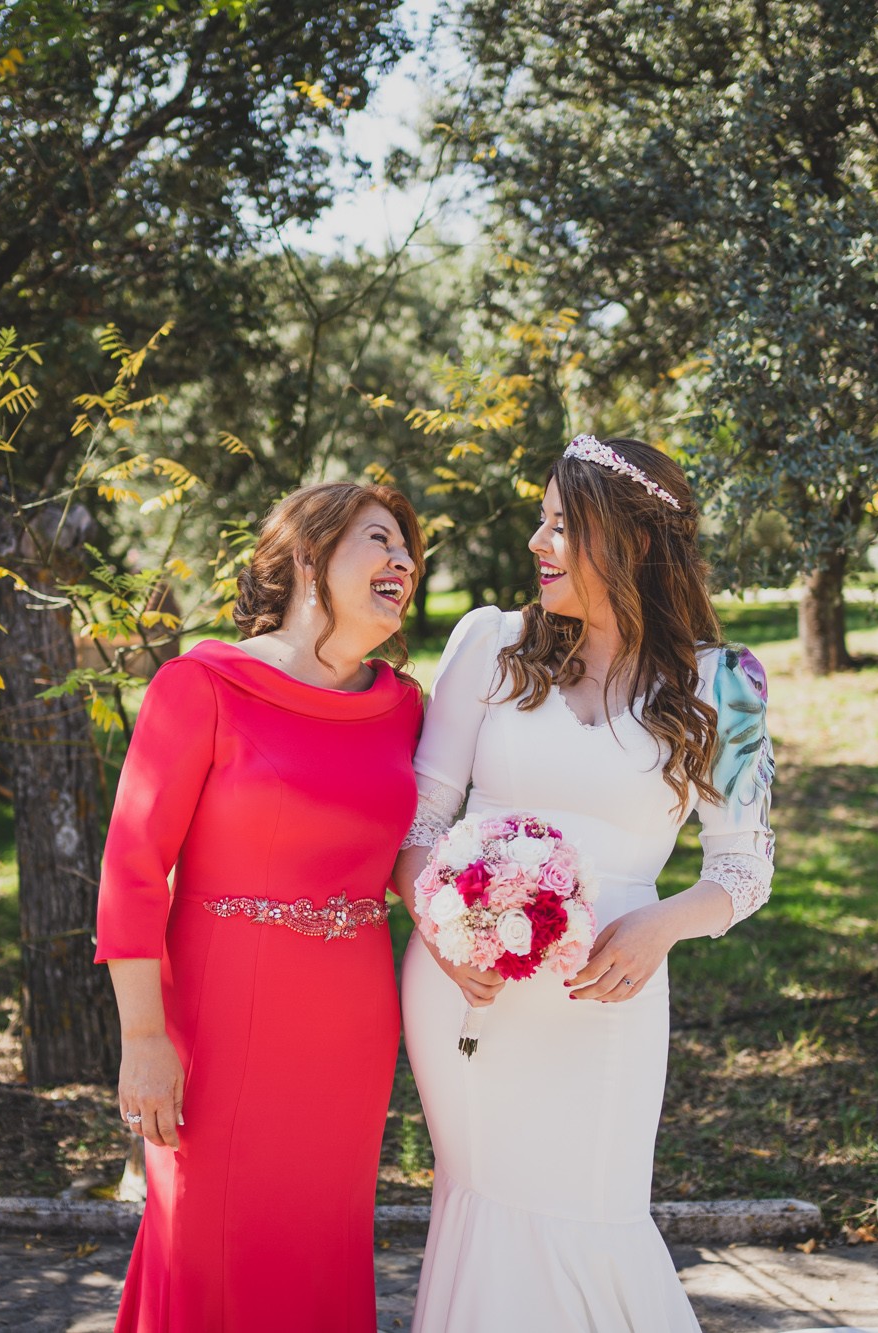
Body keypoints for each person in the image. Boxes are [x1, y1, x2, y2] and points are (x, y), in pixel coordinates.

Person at [396, 436, 776, 1331]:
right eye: (542, 520)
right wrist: (444, 933)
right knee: (481, 1196)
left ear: (634, 542)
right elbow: (419, 824)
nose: (538, 541)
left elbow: (743, 866)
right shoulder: (492, 642)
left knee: (591, 1206)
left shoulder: (727, 683)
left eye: (562, 525)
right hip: (463, 986)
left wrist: (663, 925)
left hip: (608, 989)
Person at [95, 481, 425, 1332]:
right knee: (208, 1242)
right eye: (381, 540)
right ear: (310, 556)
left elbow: (412, 857)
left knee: (321, 1241)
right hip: (219, 1017)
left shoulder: (404, 709)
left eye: (408, 550)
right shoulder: (201, 682)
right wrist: (141, 1039)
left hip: (350, 1024)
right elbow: (132, 865)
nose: (404, 561)